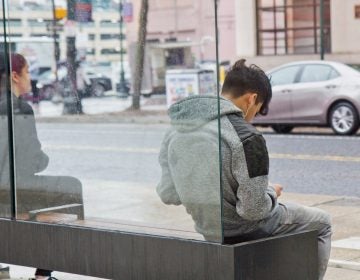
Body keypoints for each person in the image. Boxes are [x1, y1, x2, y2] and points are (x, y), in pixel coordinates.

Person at [157, 59, 332, 280]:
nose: (252, 117)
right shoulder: (247, 136)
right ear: (252, 99)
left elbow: (168, 194)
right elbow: (253, 210)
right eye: (257, 111)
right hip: (245, 228)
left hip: (208, 228)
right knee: (323, 223)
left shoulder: (176, 130)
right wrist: (270, 192)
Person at [0, 53, 83, 280]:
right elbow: (32, 160)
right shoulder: (19, 108)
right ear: (15, 76)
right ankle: (42, 274)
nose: (30, 78)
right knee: (71, 188)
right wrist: (42, 159)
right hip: (10, 189)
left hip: (5, 188)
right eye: (27, 72)